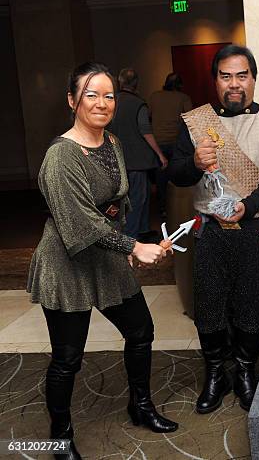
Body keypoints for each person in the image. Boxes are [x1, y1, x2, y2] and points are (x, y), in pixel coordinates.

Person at [27, 62, 178, 459]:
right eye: (91, 94)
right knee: (68, 358)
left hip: (106, 253)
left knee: (141, 331)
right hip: (66, 264)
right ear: (72, 101)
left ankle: (140, 406)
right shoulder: (60, 157)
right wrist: (132, 247)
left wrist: (122, 244)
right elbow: (79, 223)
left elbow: (116, 204)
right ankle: (60, 437)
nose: (102, 102)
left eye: (109, 95)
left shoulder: (111, 141)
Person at [167, 45, 259, 412]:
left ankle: (243, 370)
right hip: (209, 230)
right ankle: (215, 374)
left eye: (242, 76)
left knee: (251, 304)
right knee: (208, 306)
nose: (234, 84)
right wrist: (193, 162)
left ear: (253, 79)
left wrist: (248, 205)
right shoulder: (195, 122)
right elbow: (175, 175)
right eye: (226, 76)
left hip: (256, 227)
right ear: (215, 81)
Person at [107, 68, 167, 239]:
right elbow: (145, 131)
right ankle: (132, 238)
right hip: (136, 161)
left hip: (116, 159)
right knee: (137, 200)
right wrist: (160, 154)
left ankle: (141, 230)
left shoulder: (111, 102)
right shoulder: (138, 104)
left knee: (124, 201)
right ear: (136, 84)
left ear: (119, 82)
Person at [149, 73, 193, 217]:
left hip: (157, 143)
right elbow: (191, 118)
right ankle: (179, 210)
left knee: (161, 179)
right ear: (180, 85)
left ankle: (163, 208)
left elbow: (147, 116)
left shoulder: (154, 97)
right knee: (178, 177)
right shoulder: (183, 98)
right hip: (176, 142)